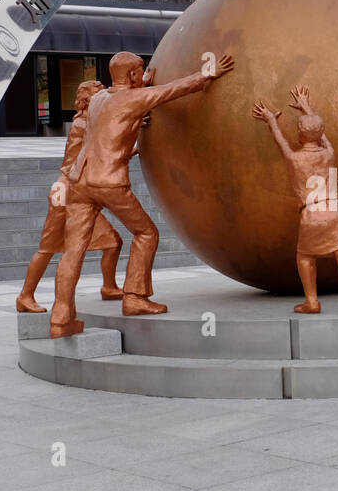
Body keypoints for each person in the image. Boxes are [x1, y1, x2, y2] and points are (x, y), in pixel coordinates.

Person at [49, 51, 234, 338]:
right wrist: (209, 73)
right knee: (146, 234)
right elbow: (174, 89)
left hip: (79, 181)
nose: (143, 74)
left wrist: (140, 93)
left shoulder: (99, 98)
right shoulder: (134, 99)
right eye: (140, 71)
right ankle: (134, 297)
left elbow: (115, 119)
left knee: (73, 252)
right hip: (108, 183)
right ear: (134, 75)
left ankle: (61, 318)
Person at [252, 85, 338, 316]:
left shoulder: (294, 159)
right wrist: (306, 108)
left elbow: (281, 142)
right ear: (320, 134)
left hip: (313, 214)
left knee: (305, 256)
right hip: (336, 211)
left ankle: (312, 301)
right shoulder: (329, 154)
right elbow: (324, 138)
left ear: (299, 134)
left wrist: (271, 120)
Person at [17, 80, 123, 313]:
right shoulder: (84, 124)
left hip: (79, 192)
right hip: (66, 192)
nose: (105, 97)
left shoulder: (91, 122)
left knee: (113, 243)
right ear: (88, 100)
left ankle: (109, 287)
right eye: (100, 94)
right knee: (48, 248)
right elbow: (108, 141)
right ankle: (25, 296)